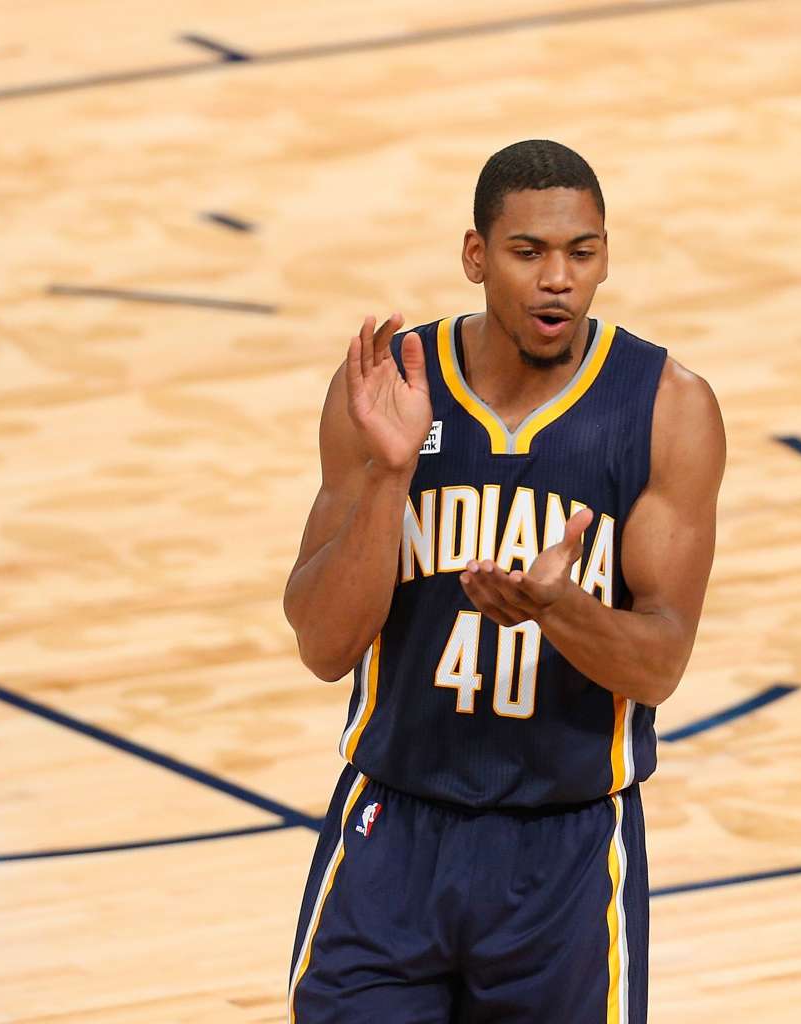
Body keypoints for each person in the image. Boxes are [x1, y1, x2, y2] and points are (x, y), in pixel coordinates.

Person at [280, 139, 725, 1023]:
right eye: (529, 253)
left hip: (565, 853)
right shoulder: (389, 387)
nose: (558, 279)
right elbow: (324, 647)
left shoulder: (667, 407)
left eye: (582, 253)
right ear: (476, 256)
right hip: (391, 832)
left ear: (606, 256)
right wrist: (390, 475)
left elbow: (660, 667)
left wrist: (561, 610)